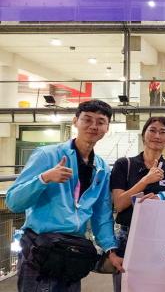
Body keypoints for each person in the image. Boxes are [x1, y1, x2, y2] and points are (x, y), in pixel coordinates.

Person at [6, 100, 123, 292]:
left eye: (100, 121)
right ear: (75, 121)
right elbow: (13, 202)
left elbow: (101, 214)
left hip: (72, 250)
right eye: (87, 119)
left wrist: (110, 249)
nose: (94, 126)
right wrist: (44, 178)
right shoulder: (47, 155)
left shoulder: (101, 168)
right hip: (40, 247)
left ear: (107, 128)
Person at [110, 116, 165, 291]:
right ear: (143, 135)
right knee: (125, 285)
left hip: (162, 238)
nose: (157, 135)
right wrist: (145, 180)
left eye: (163, 132)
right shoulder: (124, 164)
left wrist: (162, 198)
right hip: (127, 236)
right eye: (152, 130)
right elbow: (119, 204)